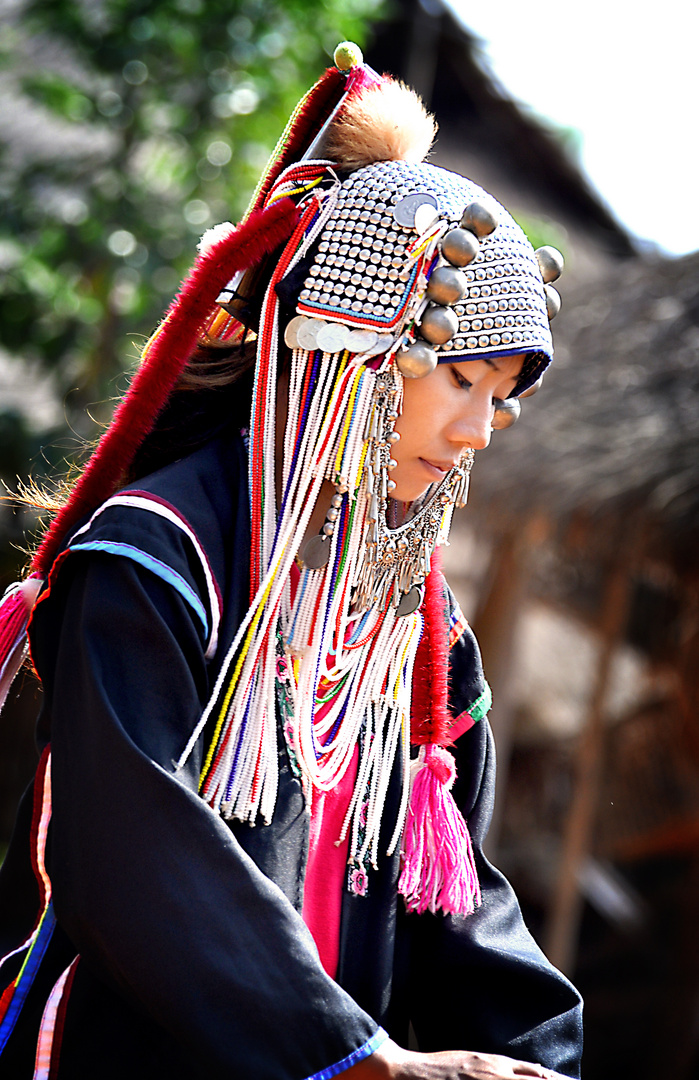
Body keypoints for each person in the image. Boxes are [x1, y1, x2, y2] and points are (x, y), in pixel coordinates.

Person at [0, 44, 582, 1080]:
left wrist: (537, 1057)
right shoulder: (157, 555)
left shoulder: (422, 634)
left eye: (504, 399)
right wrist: (361, 1060)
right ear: (349, 348)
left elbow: (456, 900)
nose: (484, 430)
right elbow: (130, 853)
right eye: (464, 381)